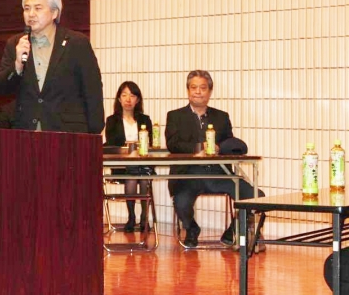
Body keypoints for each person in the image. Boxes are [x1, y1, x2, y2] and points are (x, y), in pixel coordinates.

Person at [165, 70, 265, 248]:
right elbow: (173, 144)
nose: (198, 92)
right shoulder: (175, 116)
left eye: (203, 88)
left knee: (256, 196)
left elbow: (229, 143)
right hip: (188, 175)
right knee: (181, 202)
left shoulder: (221, 117)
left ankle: (233, 230)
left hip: (219, 173)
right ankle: (192, 229)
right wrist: (198, 148)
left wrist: (220, 147)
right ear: (188, 90)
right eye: (194, 87)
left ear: (210, 91)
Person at [0, 0, 104, 134]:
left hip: (67, 132)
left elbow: (92, 89)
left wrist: (94, 132)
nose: (31, 14)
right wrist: (17, 65)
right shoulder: (15, 43)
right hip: (26, 130)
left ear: (54, 13)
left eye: (38, 8)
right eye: (27, 8)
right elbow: (1, 89)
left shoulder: (76, 42)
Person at [104, 81, 154, 232]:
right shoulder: (112, 120)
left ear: (137, 99)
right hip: (122, 165)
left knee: (144, 176)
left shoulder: (145, 120)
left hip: (143, 163)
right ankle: (132, 216)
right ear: (119, 99)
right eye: (124, 95)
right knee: (132, 176)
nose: (128, 99)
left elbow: (150, 143)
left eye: (132, 96)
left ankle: (144, 217)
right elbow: (112, 144)